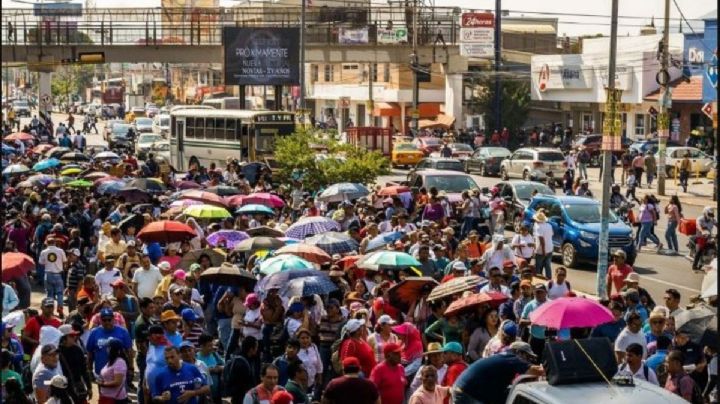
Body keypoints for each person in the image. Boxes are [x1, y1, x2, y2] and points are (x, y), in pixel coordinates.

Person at [451, 342, 544, 404]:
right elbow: (538, 371)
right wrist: (550, 370)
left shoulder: (504, 358)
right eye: (527, 357)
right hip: (467, 394)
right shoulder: (512, 359)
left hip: (463, 390)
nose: (528, 361)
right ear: (518, 352)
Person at [86, 308, 133, 377]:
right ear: (100, 320)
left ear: (113, 319)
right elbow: (90, 353)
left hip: (119, 373)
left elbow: (129, 352)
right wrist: (89, 369)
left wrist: (131, 368)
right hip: (101, 373)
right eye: (104, 320)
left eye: (109, 319)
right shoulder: (94, 332)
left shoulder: (123, 332)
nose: (107, 322)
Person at [520, 285, 549, 358]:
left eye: (540, 292)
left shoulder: (551, 304)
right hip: (534, 339)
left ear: (546, 293)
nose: (538, 294)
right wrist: (533, 321)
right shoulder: (529, 305)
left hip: (549, 339)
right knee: (534, 360)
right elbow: (521, 322)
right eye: (536, 292)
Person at [97, 337, 129, 404]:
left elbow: (117, 382)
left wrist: (102, 384)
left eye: (108, 347)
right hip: (106, 397)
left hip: (116, 400)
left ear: (112, 349)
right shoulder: (111, 361)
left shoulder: (120, 362)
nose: (106, 349)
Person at [533, 211, 554, 279]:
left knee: (538, 266)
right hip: (550, 247)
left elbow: (542, 240)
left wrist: (543, 251)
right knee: (547, 265)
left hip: (541, 250)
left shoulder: (539, 227)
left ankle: (538, 279)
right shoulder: (549, 225)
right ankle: (549, 278)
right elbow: (551, 234)